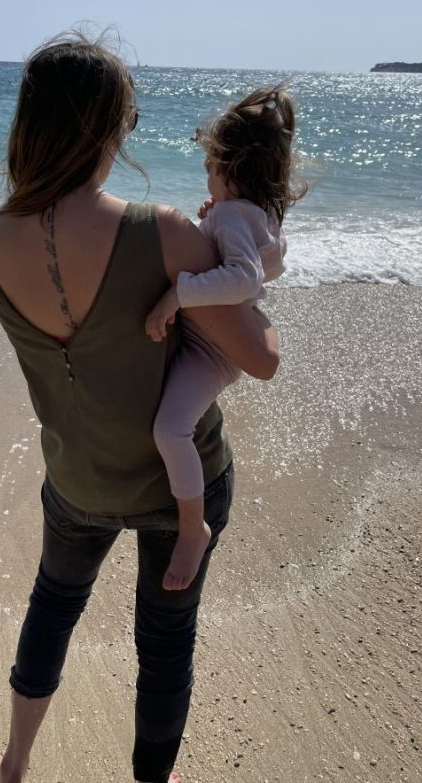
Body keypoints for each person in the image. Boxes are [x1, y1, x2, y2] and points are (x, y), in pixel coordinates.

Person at [0, 33, 279, 783]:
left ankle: (13, 766)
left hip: (77, 478)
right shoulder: (165, 232)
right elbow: (261, 358)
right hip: (182, 488)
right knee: (165, 644)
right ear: (108, 127)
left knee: (53, 606)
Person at [145, 86, 306, 591]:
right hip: (213, 342)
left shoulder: (237, 215)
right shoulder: (255, 213)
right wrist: (214, 218)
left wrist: (179, 294)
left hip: (211, 352)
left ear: (233, 168)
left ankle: (193, 527)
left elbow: (245, 279)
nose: (205, 171)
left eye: (211, 163)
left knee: (170, 430)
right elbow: (270, 260)